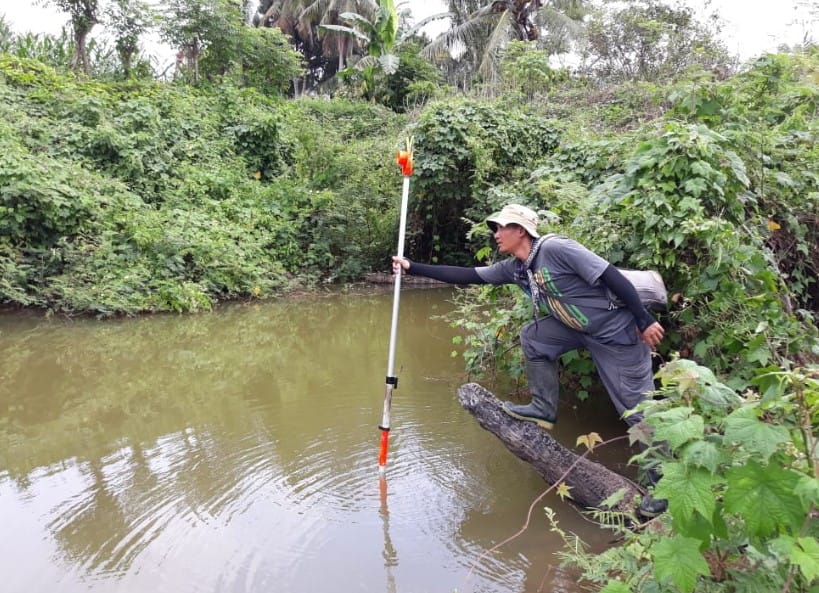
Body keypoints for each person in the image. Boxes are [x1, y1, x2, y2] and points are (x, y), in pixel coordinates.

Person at [392, 203, 667, 517]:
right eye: (494, 228)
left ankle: (663, 485)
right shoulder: (517, 268)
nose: (495, 234)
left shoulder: (556, 249)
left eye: (500, 227)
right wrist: (413, 266)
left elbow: (611, 275)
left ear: (520, 230)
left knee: (636, 409)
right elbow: (468, 275)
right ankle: (543, 407)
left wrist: (643, 319)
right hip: (578, 329)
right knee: (534, 336)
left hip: (617, 332)